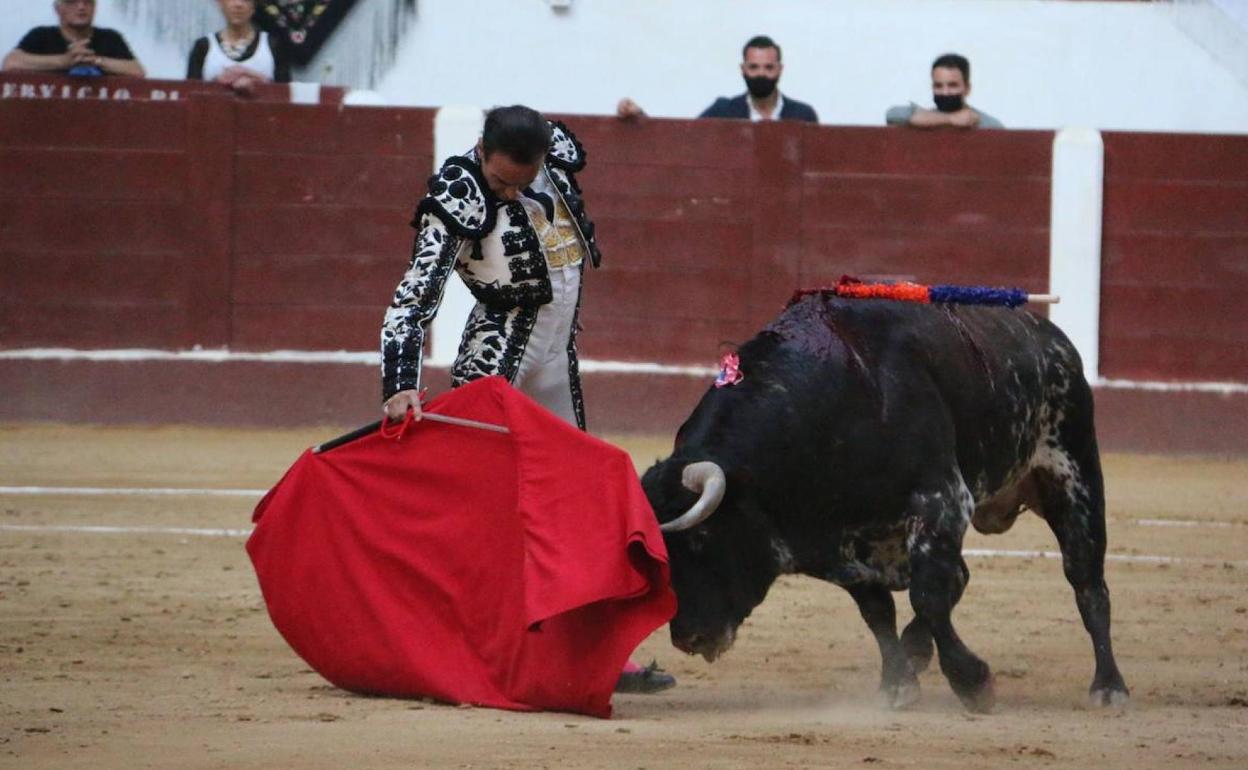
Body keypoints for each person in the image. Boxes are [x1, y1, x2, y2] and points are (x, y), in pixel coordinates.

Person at [379, 105, 676, 695]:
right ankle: (460, 643)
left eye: (523, 179)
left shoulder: (551, 153)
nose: (510, 192)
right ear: (481, 149)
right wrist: (400, 383)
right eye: (500, 182)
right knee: (486, 512)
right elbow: (413, 298)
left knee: (582, 504)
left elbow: (572, 149)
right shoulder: (457, 193)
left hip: (556, 358)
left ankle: (597, 651)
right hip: (496, 365)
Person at [617, 35, 818, 123]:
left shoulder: (803, 115)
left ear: (780, 69)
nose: (761, 74)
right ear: (743, 69)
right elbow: (684, 144)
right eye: (754, 67)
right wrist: (641, 118)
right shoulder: (724, 110)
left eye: (768, 67)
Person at [1, 0, 144, 78]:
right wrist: (65, 61)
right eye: (72, 1)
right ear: (57, 9)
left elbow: (137, 71)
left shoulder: (111, 38)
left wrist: (95, 61)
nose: (81, 7)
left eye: (87, 2)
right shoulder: (41, 35)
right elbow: (10, 63)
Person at [187, 0, 291, 95]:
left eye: (245, 0)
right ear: (220, 3)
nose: (238, 5)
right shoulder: (203, 47)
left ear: (253, 7)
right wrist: (218, 83)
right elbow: (189, 94)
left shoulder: (273, 45)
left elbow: (286, 95)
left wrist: (255, 78)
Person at [886, 53, 1003, 130]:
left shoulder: (988, 125)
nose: (945, 92)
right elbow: (893, 115)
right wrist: (951, 119)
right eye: (938, 86)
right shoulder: (923, 118)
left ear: (967, 88)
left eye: (952, 85)